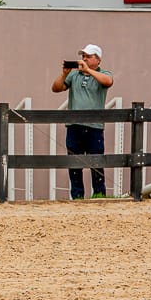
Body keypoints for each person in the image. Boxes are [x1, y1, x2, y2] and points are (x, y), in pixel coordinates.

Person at [51, 43, 114, 199]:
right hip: (74, 125)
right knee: (74, 162)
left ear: (98, 59)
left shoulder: (103, 73)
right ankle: (77, 194)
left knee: (96, 160)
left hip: (94, 126)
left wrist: (88, 71)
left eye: (88, 56)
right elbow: (56, 88)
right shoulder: (74, 75)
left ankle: (99, 193)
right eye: (83, 56)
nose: (84, 59)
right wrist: (65, 74)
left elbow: (108, 81)